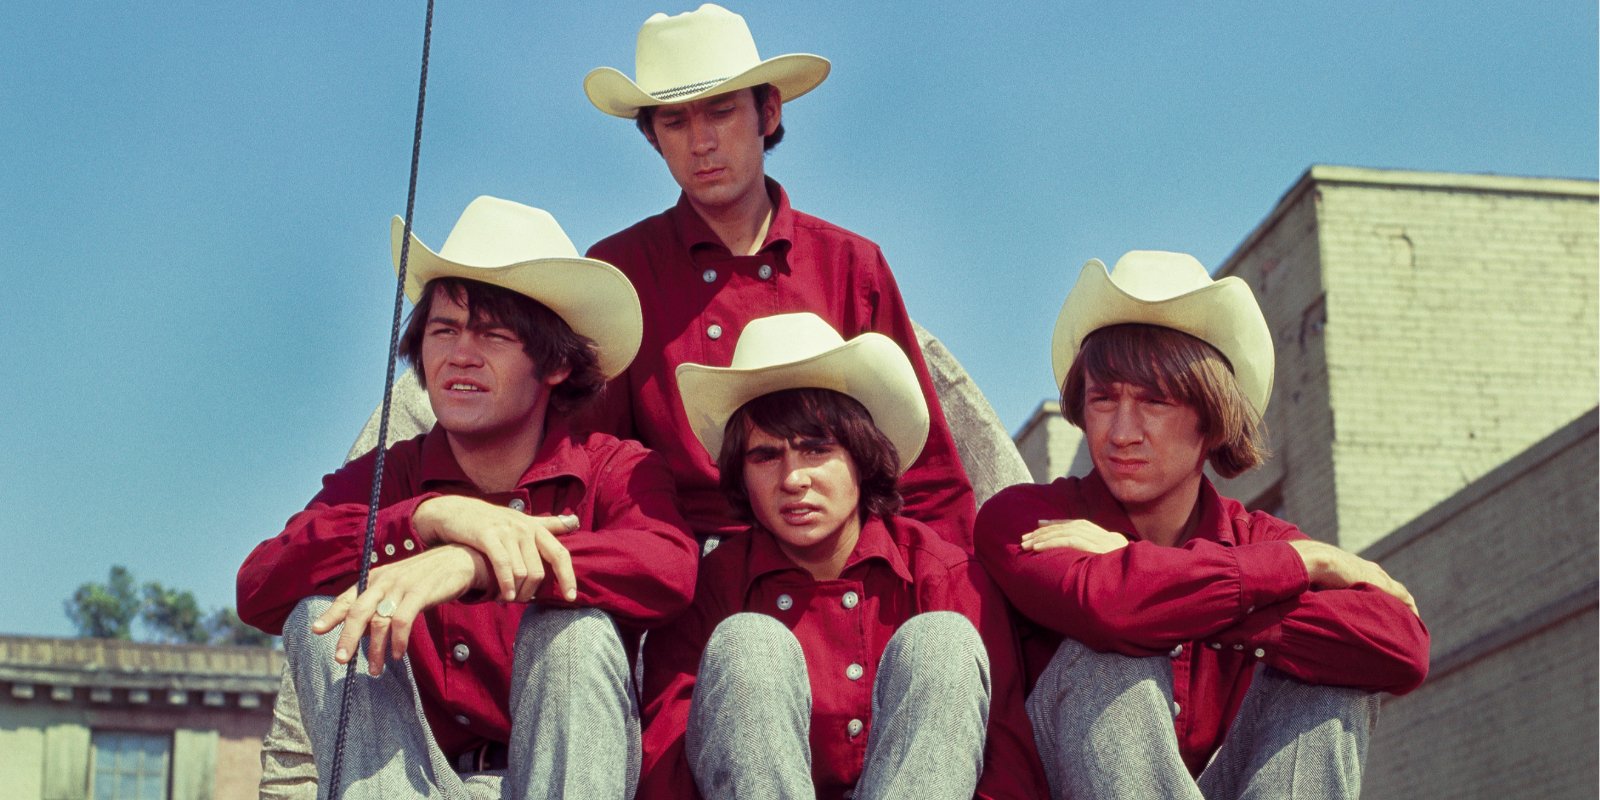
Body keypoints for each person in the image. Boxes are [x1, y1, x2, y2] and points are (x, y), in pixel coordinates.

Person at [237, 196, 699, 798]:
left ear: (556, 362)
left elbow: (669, 564)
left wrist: (475, 562)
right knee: (320, 610)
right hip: (420, 783)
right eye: (444, 330)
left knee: (575, 636)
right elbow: (260, 582)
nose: (461, 354)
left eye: (493, 335)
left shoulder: (613, 466)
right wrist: (428, 519)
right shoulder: (390, 476)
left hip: (566, 778)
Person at [974, 251, 1430, 799]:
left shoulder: (1257, 540)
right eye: (1102, 399)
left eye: (1155, 402)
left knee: (1336, 678)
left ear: (1212, 420)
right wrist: (1309, 563)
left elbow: (1402, 648)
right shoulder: (1025, 518)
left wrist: (1157, 577)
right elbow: (1109, 610)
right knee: (1109, 658)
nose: (1122, 432)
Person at [580, 3, 977, 547]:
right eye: (675, 121)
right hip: (688, 572)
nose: (701, 143)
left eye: (720, 112)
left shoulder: (851, 263)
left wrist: (947, 596)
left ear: (768, 113)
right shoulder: (617, 271)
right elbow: (592, 461)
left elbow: (926, 475)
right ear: (653, 137)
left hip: (842, 563)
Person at [637, 312, 1046, 799]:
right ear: (740, 473)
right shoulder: (714, 584)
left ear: (861, 454)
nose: (793, 480)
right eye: (765, 456)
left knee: (943, 640)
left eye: (816, 450)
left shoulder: (945, 574)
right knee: (748, 643)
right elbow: (666, 759)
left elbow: (1008, 764)